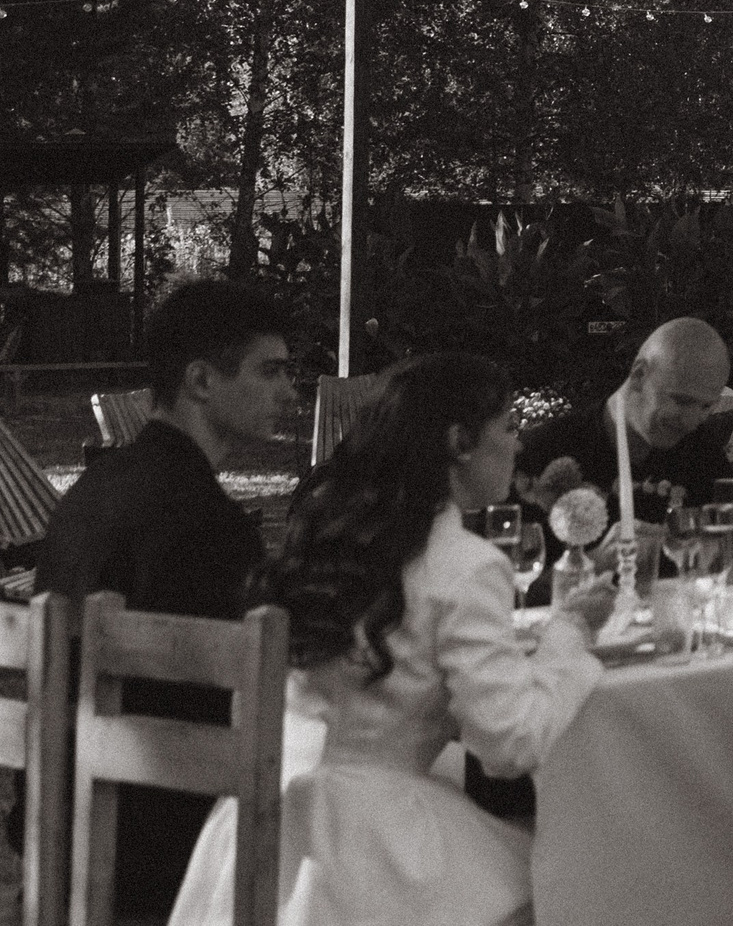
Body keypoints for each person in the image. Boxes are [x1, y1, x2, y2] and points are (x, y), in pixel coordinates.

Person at [170, 352, 616, 926]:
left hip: (259, 820)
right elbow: (510, 745)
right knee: (572, 881)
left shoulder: (327, 538)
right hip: (368, 839)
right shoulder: (464, 564)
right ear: (460, 441)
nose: (520, 445)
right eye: (508, 427)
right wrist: (569, 634)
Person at [37, 278, 299, 915]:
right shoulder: (205, 523)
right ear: (202, 381)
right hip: (168, 852)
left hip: (60, 825)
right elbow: (247, 705)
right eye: (270, 373)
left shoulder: (91, 492)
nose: (289, 393)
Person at [516, 316, 733, 525]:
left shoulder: (702, 454)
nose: (691, 421)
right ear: (639, 374)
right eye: (681, 401)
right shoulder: (543, 452)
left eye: (706, 406)